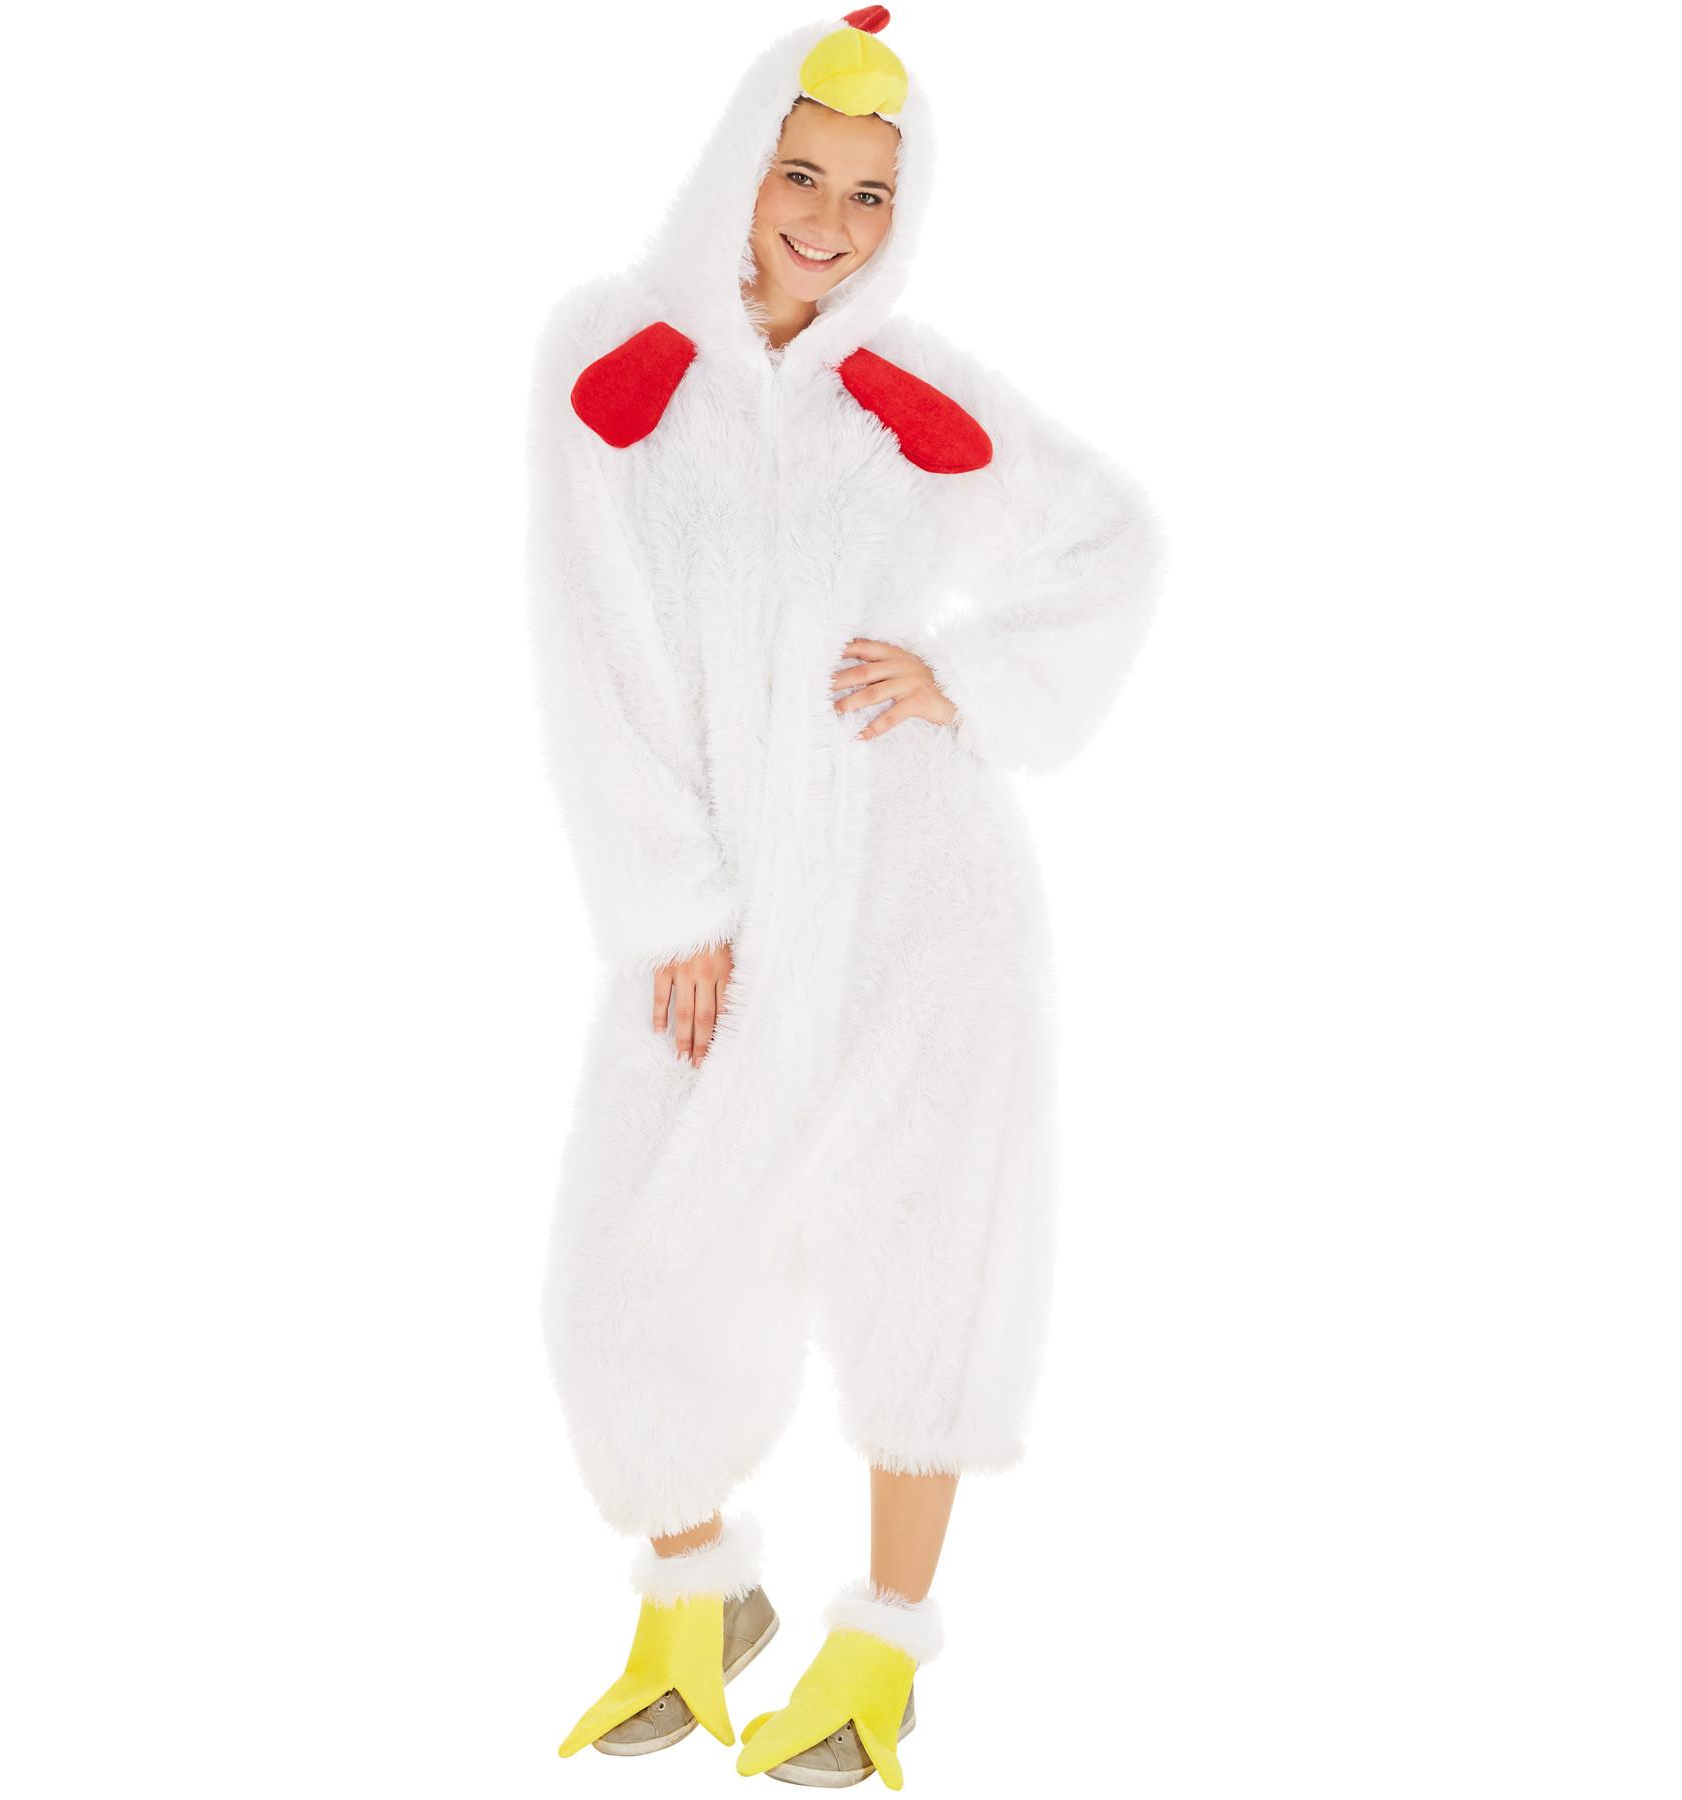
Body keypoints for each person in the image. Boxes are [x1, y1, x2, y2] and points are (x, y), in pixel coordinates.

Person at [525, 8, 1167, 1787]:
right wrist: (672, 906)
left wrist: (971, 678)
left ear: (908, 207)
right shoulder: (615, 365)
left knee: (923, 1250)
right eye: (800, 176)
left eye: (870, 194)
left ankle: (881, 1646)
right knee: (628, 1258)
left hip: (918, 898)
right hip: (719, 913)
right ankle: (696, 1597)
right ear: (738, 168)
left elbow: (1112, 539)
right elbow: (590, 655)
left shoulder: (920, 397)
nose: (828, 221)